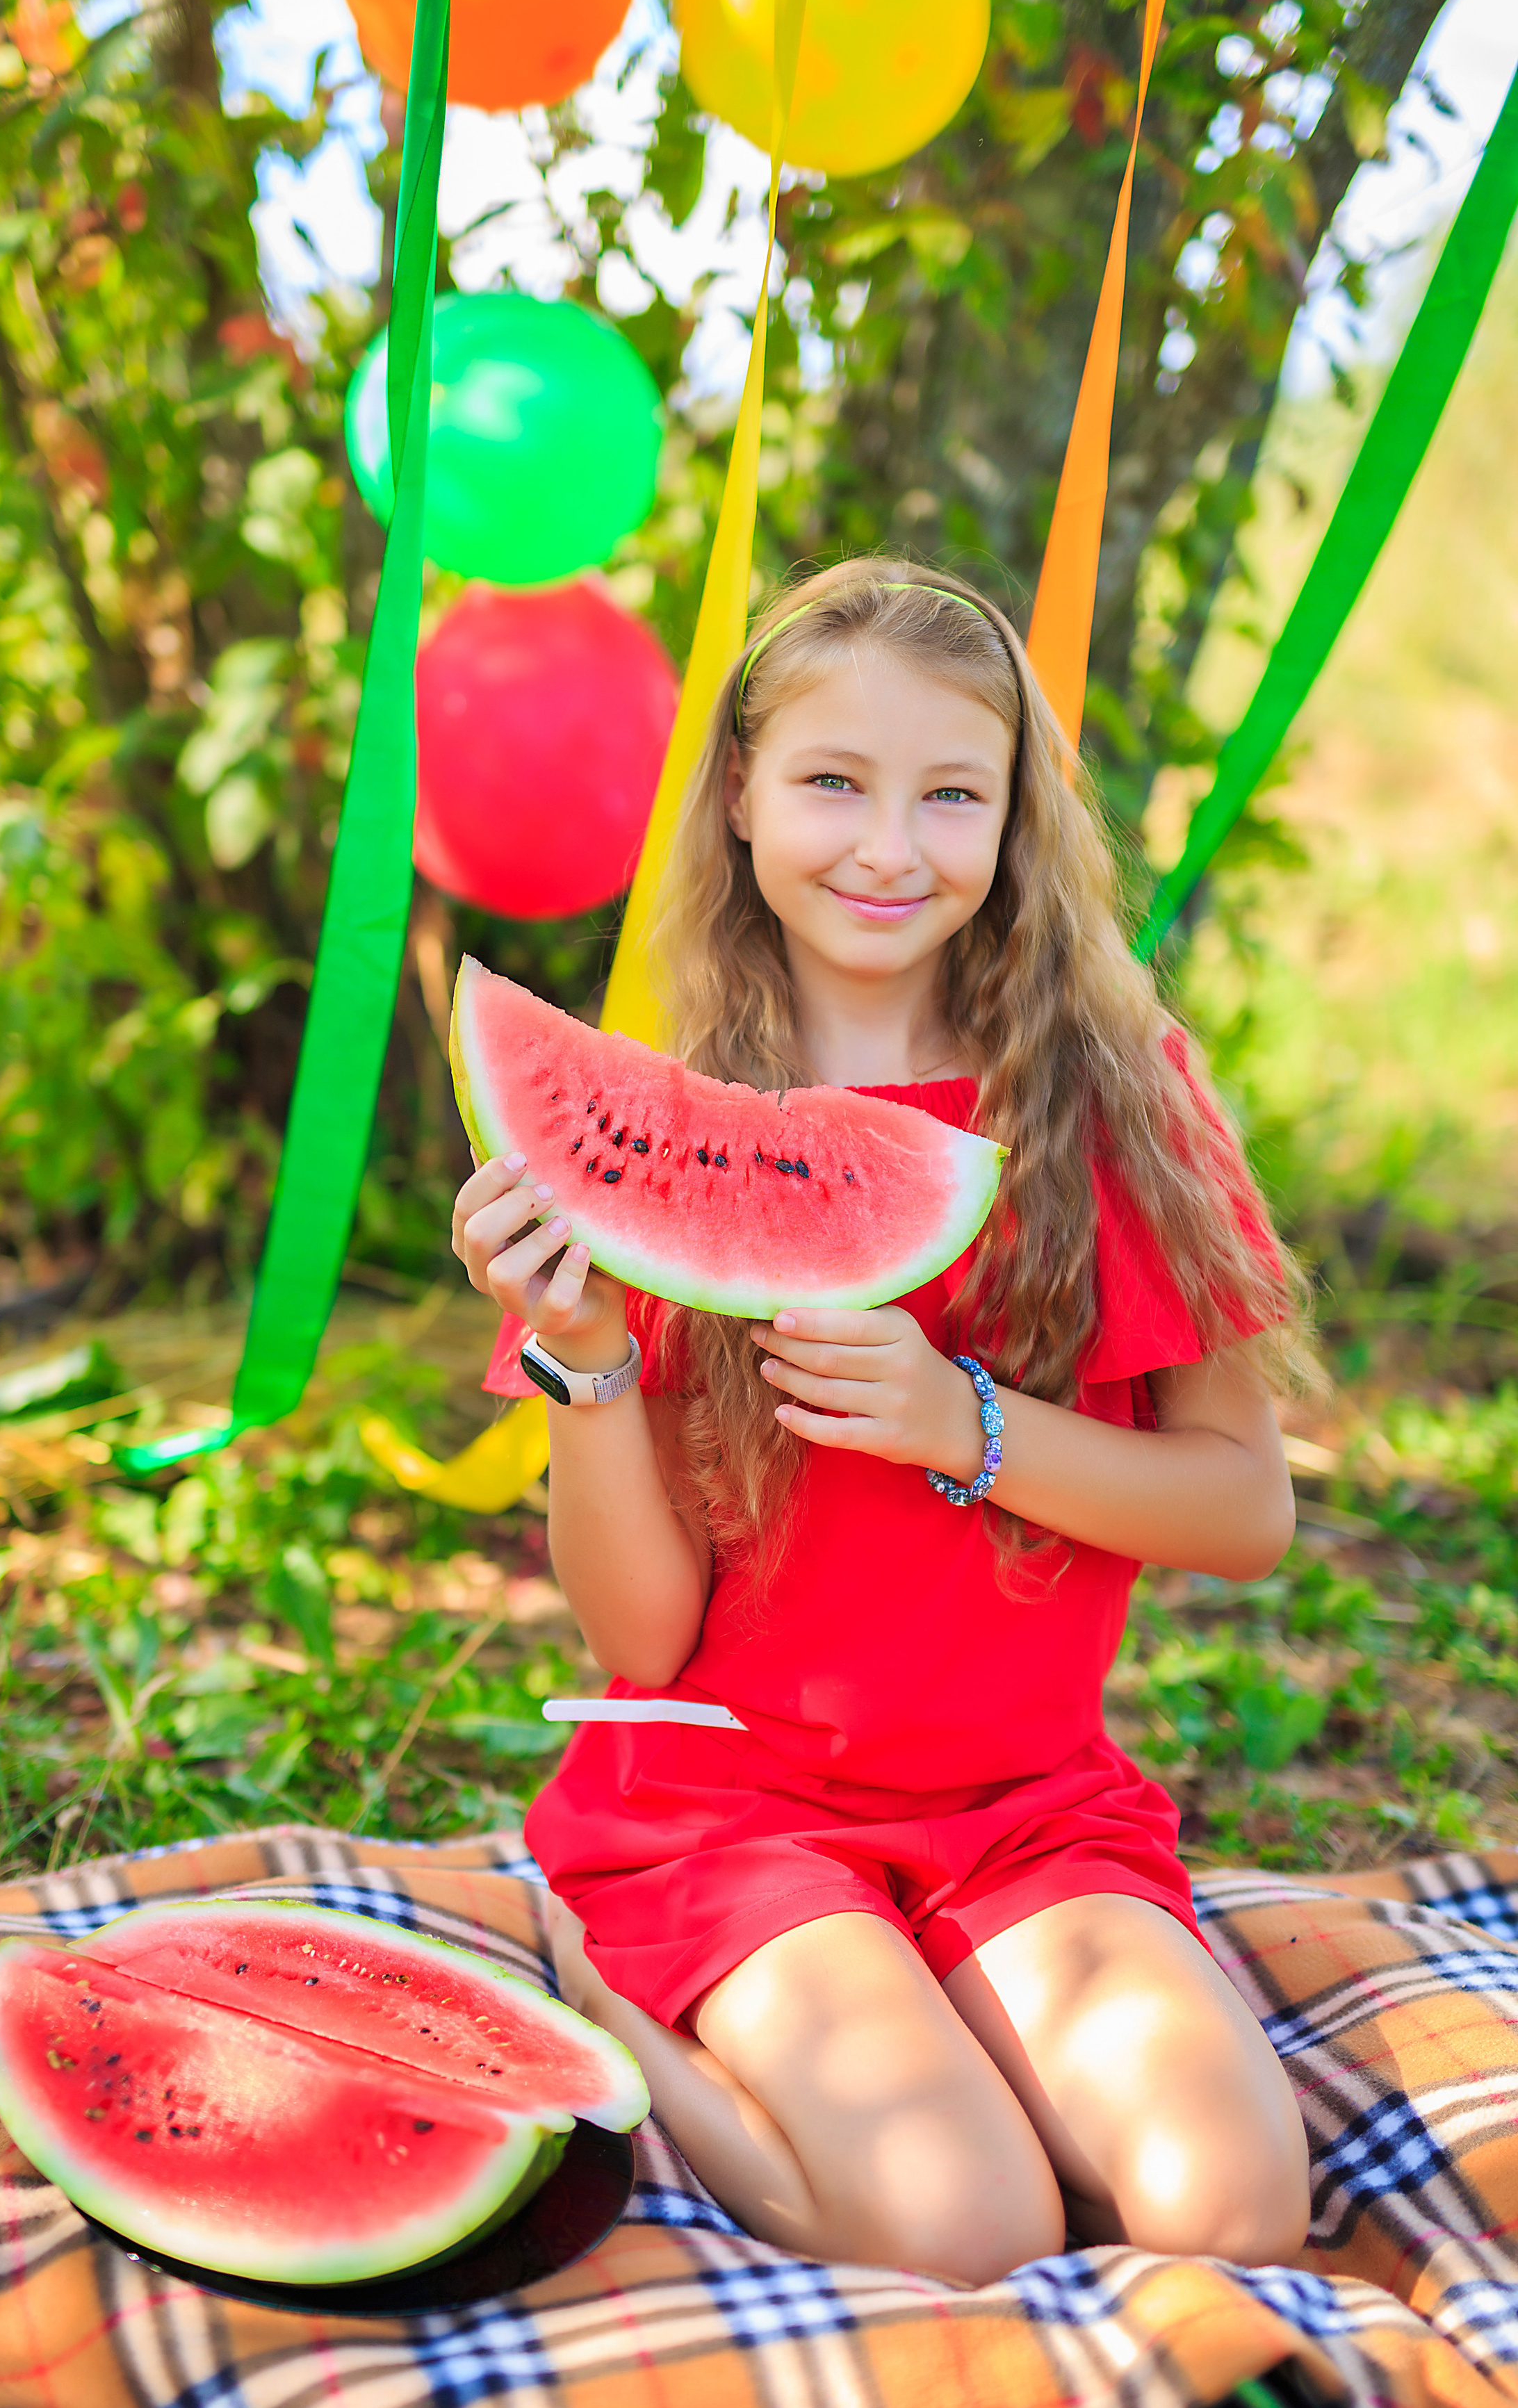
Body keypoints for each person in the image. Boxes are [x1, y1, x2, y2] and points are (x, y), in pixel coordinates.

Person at [450, 561, 1314, 2286]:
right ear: (744, 798)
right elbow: (642, 1636)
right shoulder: (649, 1134)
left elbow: (1243, 1515)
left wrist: (962, 1424)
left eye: (949, 794)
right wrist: (587, 1355)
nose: (885, 846)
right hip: (725, 1810)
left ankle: (937, 2007)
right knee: (962, 2226)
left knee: (1229, 2216)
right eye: (831, 782)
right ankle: (619, 1989)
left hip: (1027, 1807)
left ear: (1013, 822)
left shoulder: (1130, 1100)